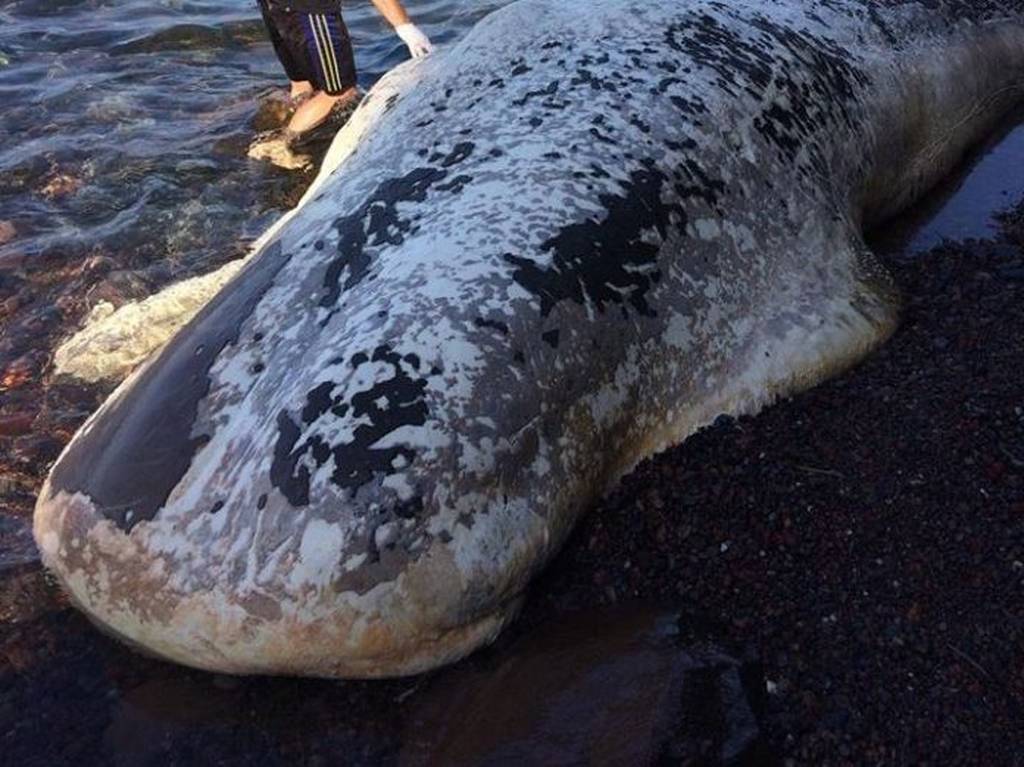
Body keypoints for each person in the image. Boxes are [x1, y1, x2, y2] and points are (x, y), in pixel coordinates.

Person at [251, 0, 432, 164]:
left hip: (275, 7)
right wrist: (406, 28)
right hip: (312, 12)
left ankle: (295, 120)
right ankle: (280, 142)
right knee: (339, 92)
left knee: (304, 82)